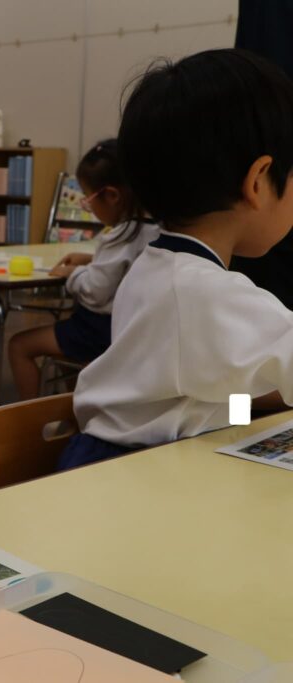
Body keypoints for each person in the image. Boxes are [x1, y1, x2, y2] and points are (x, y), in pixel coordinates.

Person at [59, 49, 293, 470]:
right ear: (258, 182)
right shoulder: (207, 291)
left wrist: (263, 410)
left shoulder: (156, 266)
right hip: (136, 474)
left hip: (117, 457)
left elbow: (198, 399)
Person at [7, 139, 159, 400]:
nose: (88, 206)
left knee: (19, 345)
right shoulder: (155, 229)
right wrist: (91, 260)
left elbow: (95, 291)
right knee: (64, 348)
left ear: (112, 196)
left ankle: (32, 419)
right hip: (133, 331)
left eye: (88, 198)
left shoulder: (120, 236)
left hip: (100, 331)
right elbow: (126, 269)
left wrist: (73, 274)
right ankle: (73, 412)